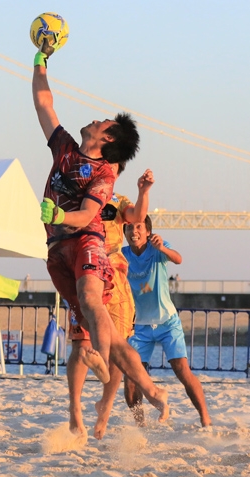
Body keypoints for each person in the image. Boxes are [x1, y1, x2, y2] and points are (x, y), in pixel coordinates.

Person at [33, 37, 168, 427]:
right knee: (97, 332)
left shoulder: (106, 174)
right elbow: (43, 103)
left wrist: (60, 212)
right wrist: (40, 62)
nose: (96, 118)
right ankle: (147, 390)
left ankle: (107, 379)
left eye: (103, 122)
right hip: (57, 248)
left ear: (107, 139)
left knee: (93, 305)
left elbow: (88, 215)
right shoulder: (64, 147)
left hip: (86, 243)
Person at [67, 164, 155, 439]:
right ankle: (75, 409)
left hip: (114, 273)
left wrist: (144, 192)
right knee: (81, 344)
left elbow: (137, 216)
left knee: (118, 346)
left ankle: (104, 408)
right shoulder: (78, 194)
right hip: (84, 269)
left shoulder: (119, 200)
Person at [123, 216, 212, 427]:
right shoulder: (122, 254)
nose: (134, 231)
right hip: (139, 326)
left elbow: (178, 259)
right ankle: (140, 426)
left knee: (182, 370)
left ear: (147, 232)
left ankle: (205, 418)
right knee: (131, 379)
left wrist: (162, 247)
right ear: (124, 232)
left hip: (167, 322)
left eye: (139, 227)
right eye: (129, 228)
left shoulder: (157, 248)